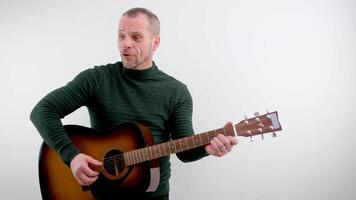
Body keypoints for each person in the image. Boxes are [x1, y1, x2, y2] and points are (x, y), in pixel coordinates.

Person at [30, 7, 238, 200]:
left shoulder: (176, 92)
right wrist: (72, 157)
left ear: (155, 43)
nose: (125, 44)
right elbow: (43, 111)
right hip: (98, 193)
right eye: (121, 36)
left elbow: (184, 150)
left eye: (136, 37)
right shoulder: (97, 79)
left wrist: (207, 149)